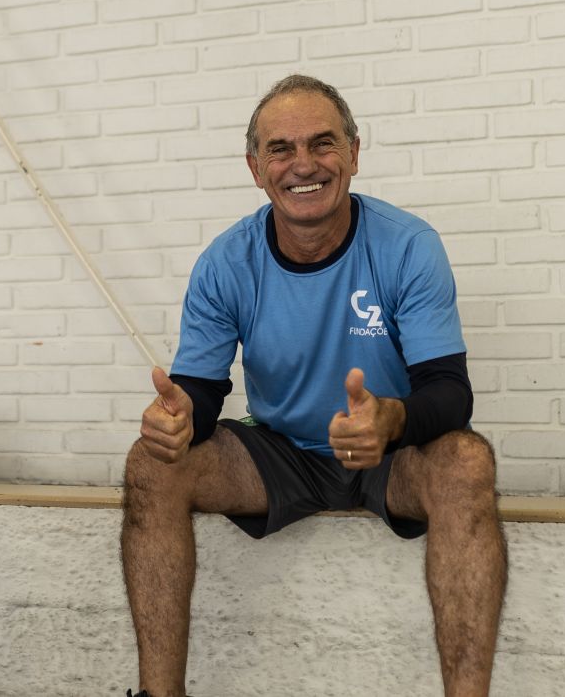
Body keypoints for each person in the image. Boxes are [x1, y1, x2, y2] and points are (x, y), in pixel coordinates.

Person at [121, 75, 507, 697]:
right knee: (151, 463)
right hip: (283, 454)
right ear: (256, 168)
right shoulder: (226, 261)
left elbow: (448, 391)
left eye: (322, 143)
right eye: (280, 149)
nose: (303, 164)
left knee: (467, 460)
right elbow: (201, 389)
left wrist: (391, 420)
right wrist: (180, 416)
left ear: (353, 153)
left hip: (390, 454)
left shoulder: (409, 246)